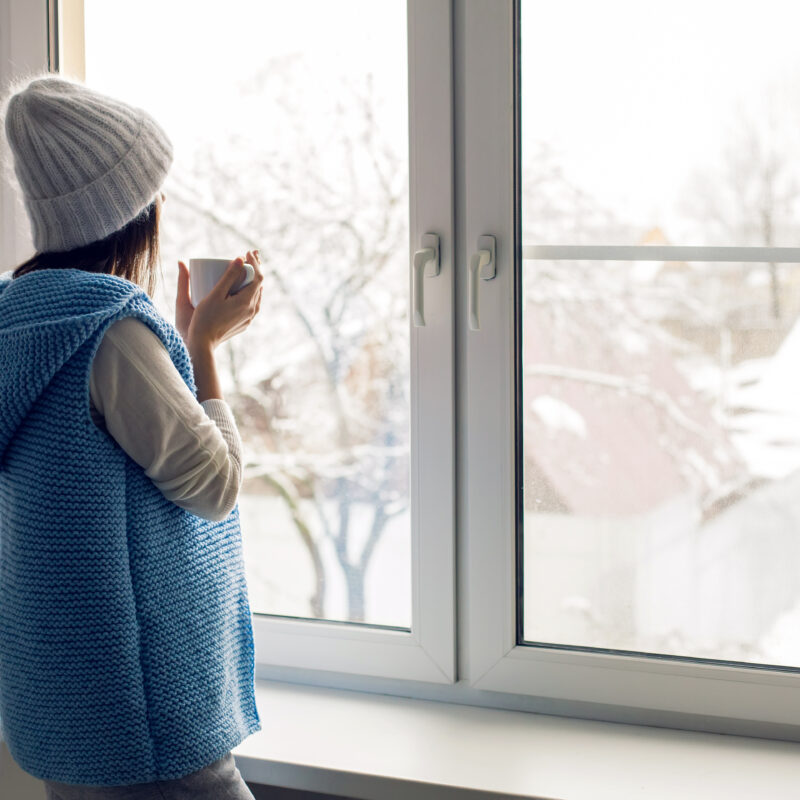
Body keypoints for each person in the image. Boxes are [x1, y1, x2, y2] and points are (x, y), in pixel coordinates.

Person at [0, 74, 264, 799]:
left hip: (68, 711)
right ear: (126, 211)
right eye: (153, 191)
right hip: (148, 716)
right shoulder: (110, 330)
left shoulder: (15, 320)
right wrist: (204, 345)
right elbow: (214, 488)